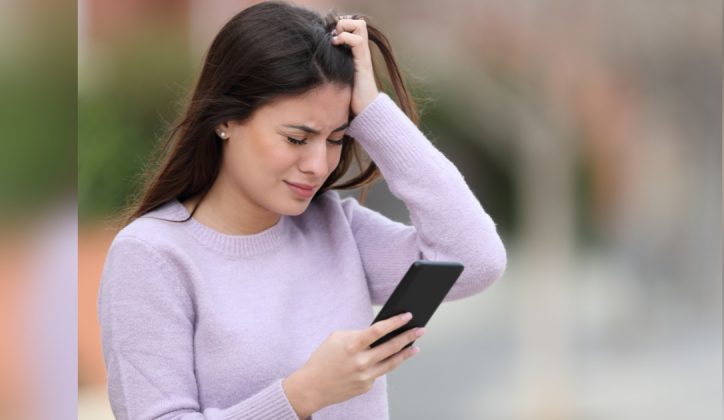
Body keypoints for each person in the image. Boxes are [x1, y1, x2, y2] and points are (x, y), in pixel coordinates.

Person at [97, 1, 507, 419]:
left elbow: (476, 261)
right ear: (225, 120)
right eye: (297, 138)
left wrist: (375, 112)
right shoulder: (152, 256)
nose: (319, 165)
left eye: (336, 139)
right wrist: (302, 395)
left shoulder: (335, 227)